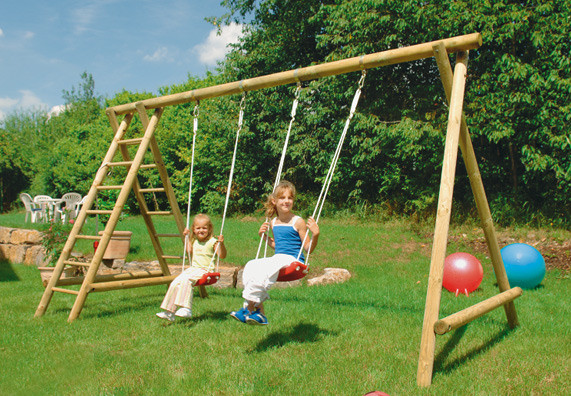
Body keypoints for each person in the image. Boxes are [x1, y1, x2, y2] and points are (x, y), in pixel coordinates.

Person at [230, 180, 319, 325]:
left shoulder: (298, 221)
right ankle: (260, 313)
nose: (286, 201)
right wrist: (264, 237)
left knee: (267, 267)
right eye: (282, 198)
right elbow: (278, 246)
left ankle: (249, 309)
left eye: (289, 198)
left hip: (294, 261)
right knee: (251, 265)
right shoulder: (273, 222)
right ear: (274, 201)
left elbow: (308, 248)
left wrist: (316, 235)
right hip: (279, 258)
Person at [156, 213, 226, 322]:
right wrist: (187, 237)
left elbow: (222, 255)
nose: (201, 230)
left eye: (204, 228)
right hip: (193, 269)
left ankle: (186, 308)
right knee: (175, 282)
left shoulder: (213, 242)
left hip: (205, 270)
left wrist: (222, 244)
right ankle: (169, 312)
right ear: (193, 229)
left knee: (185, 280)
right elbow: (188, 251)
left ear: (209, 228)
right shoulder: (194, 241)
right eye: (198, 228)